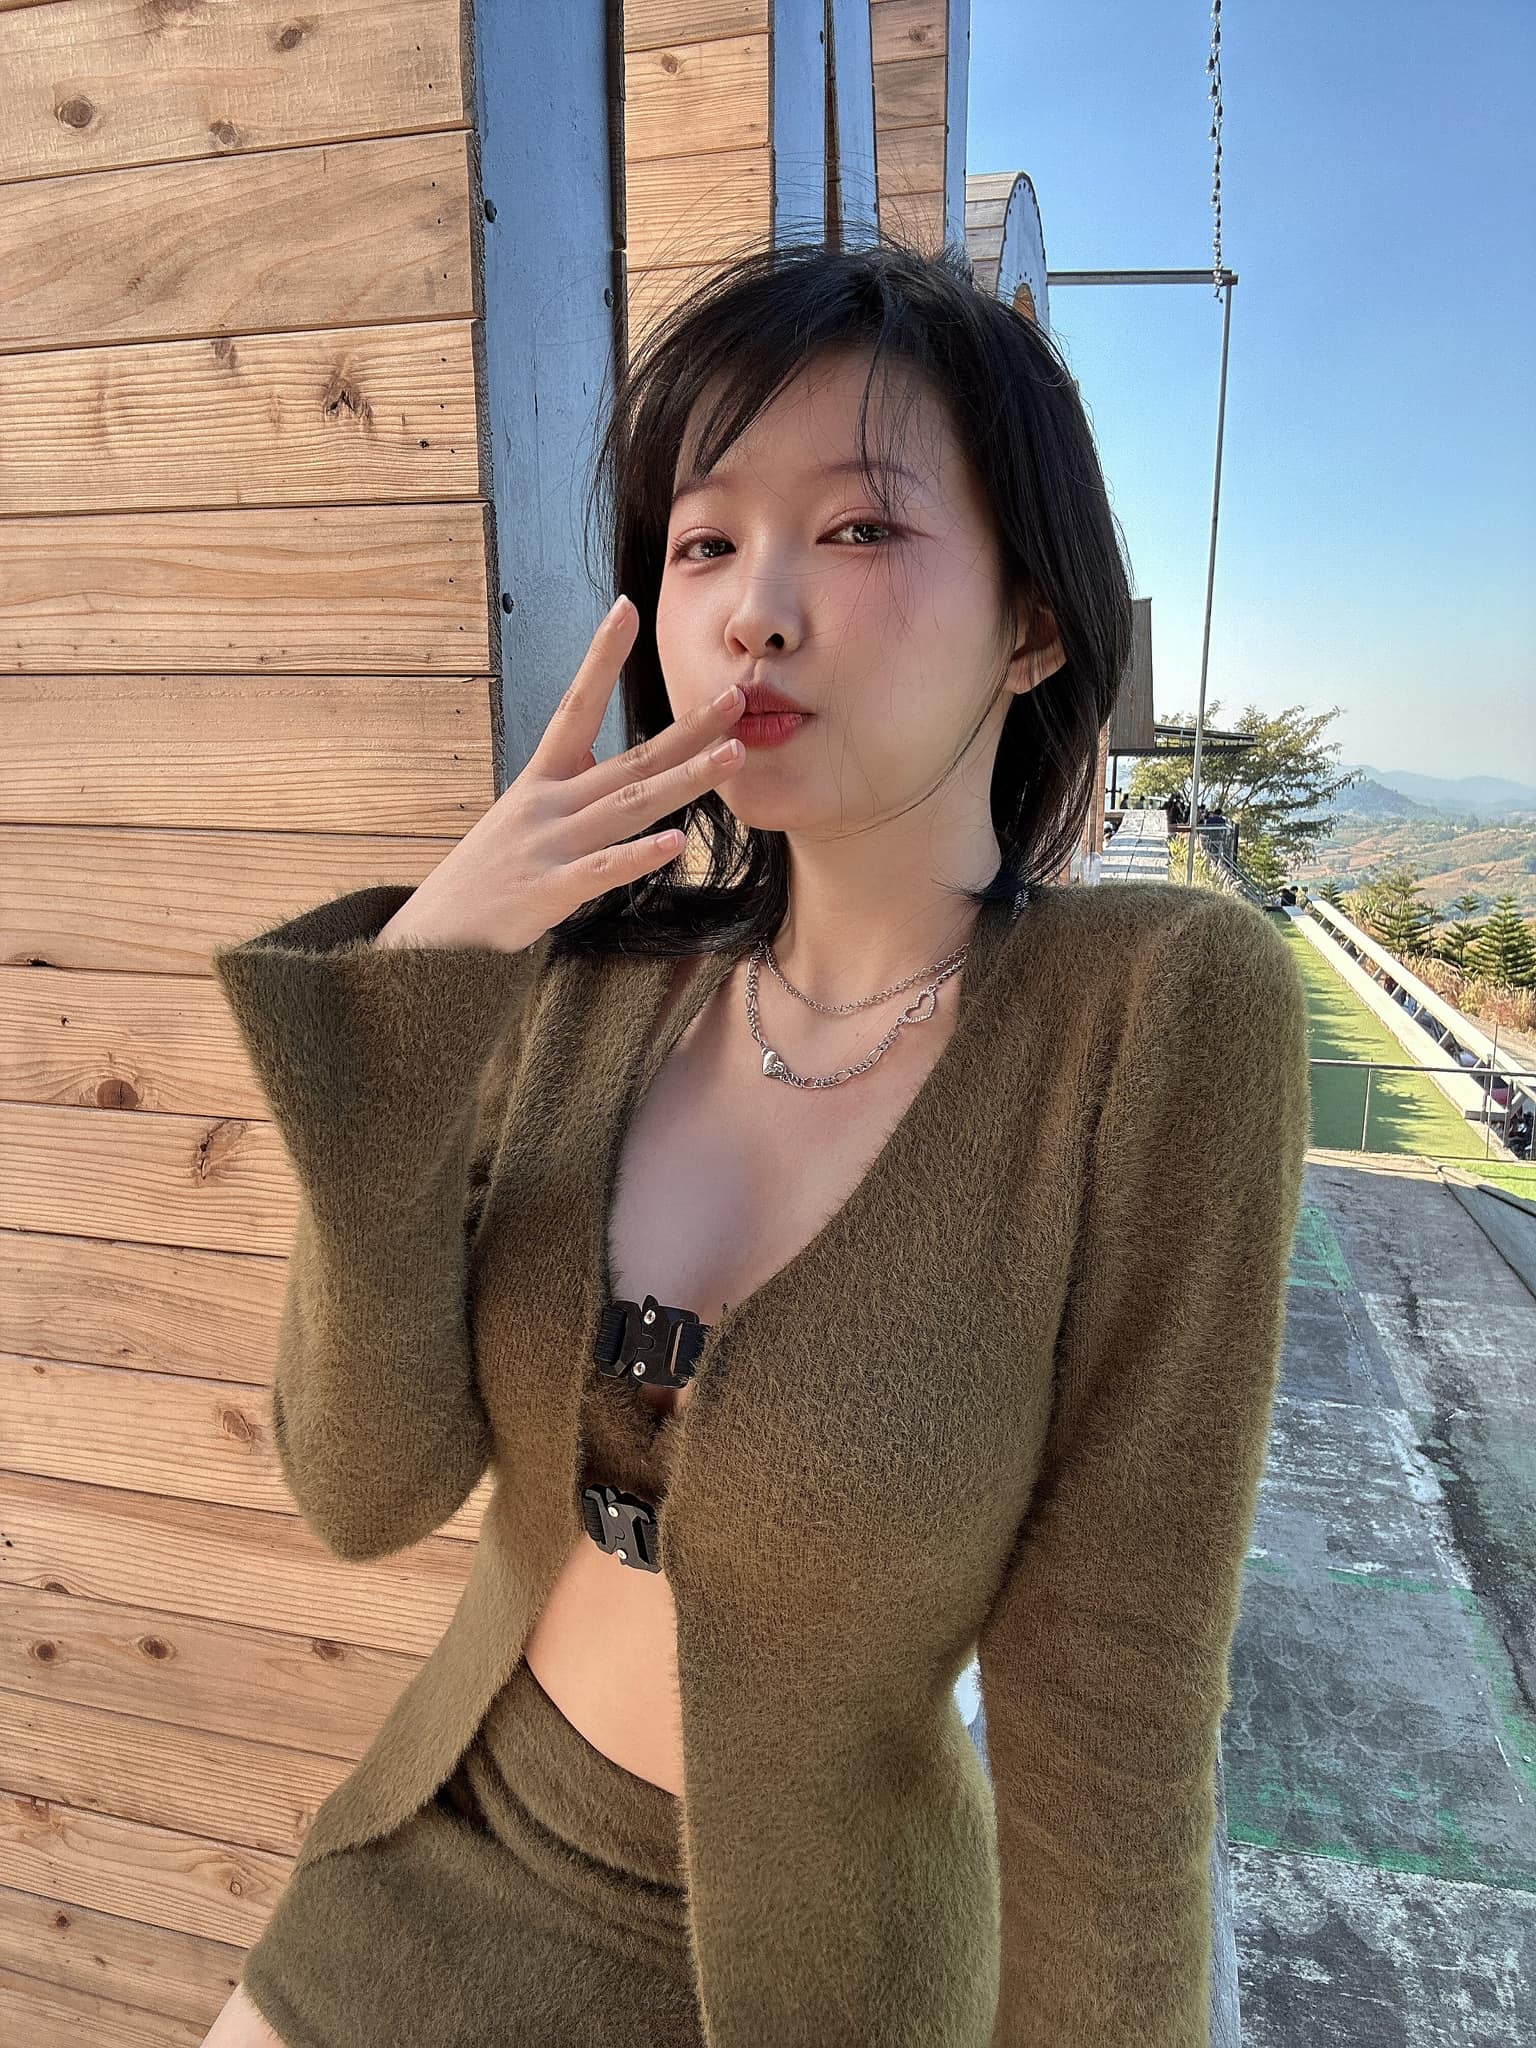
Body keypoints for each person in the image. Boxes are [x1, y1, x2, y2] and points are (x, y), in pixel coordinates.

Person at [203, 236, 1309, 2048]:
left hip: (805, 1986)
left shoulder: (1157, 1014)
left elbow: (1114, 1706)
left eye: (859, 528)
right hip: (422, 1879)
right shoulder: (593, 986)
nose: (754, 611)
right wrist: (409, 1009)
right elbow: (365, 1486)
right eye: (705, 540)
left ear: (1034, 625)